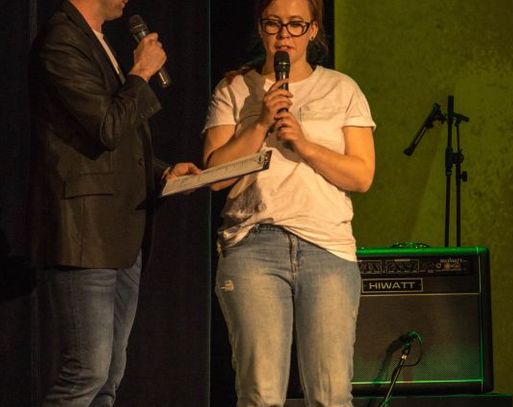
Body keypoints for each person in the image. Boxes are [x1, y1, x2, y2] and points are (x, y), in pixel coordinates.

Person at [203, 0, 376, 405]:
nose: (284, 35)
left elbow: (361, 175)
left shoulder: (342, 89)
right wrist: (261, 122)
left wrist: (304, 144)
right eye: (274, 24)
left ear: (313, 29)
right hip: (253, 247)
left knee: (331, 394)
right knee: (261, 394)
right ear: (260, 27)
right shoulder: (233, 89)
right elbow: (214, 176)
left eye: (296, 24)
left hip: (326, 248)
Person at [28, 1, 200, 406]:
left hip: (120, 234)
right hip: (85, 236)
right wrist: (141, 72)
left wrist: (163, 173)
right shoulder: (62, 40)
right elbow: (106, 126)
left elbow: (118, 147)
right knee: (86, 371)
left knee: (108, 377)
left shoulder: (97, 41)